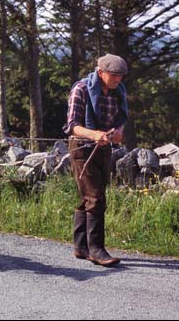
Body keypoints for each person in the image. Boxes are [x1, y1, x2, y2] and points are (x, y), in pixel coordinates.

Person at [63, 53, 128, 266]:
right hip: (82, 147)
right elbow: (73, 126)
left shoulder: (118, 91)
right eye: (114, 75)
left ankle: (81, 247)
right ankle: (97, 250)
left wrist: (118, 131)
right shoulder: (80, 89)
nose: (118, 79)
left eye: (121, 76)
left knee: (89, 196)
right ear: (100, 73)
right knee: (96, 197)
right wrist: (94, 134)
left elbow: (120, 119)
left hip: (104, 148)